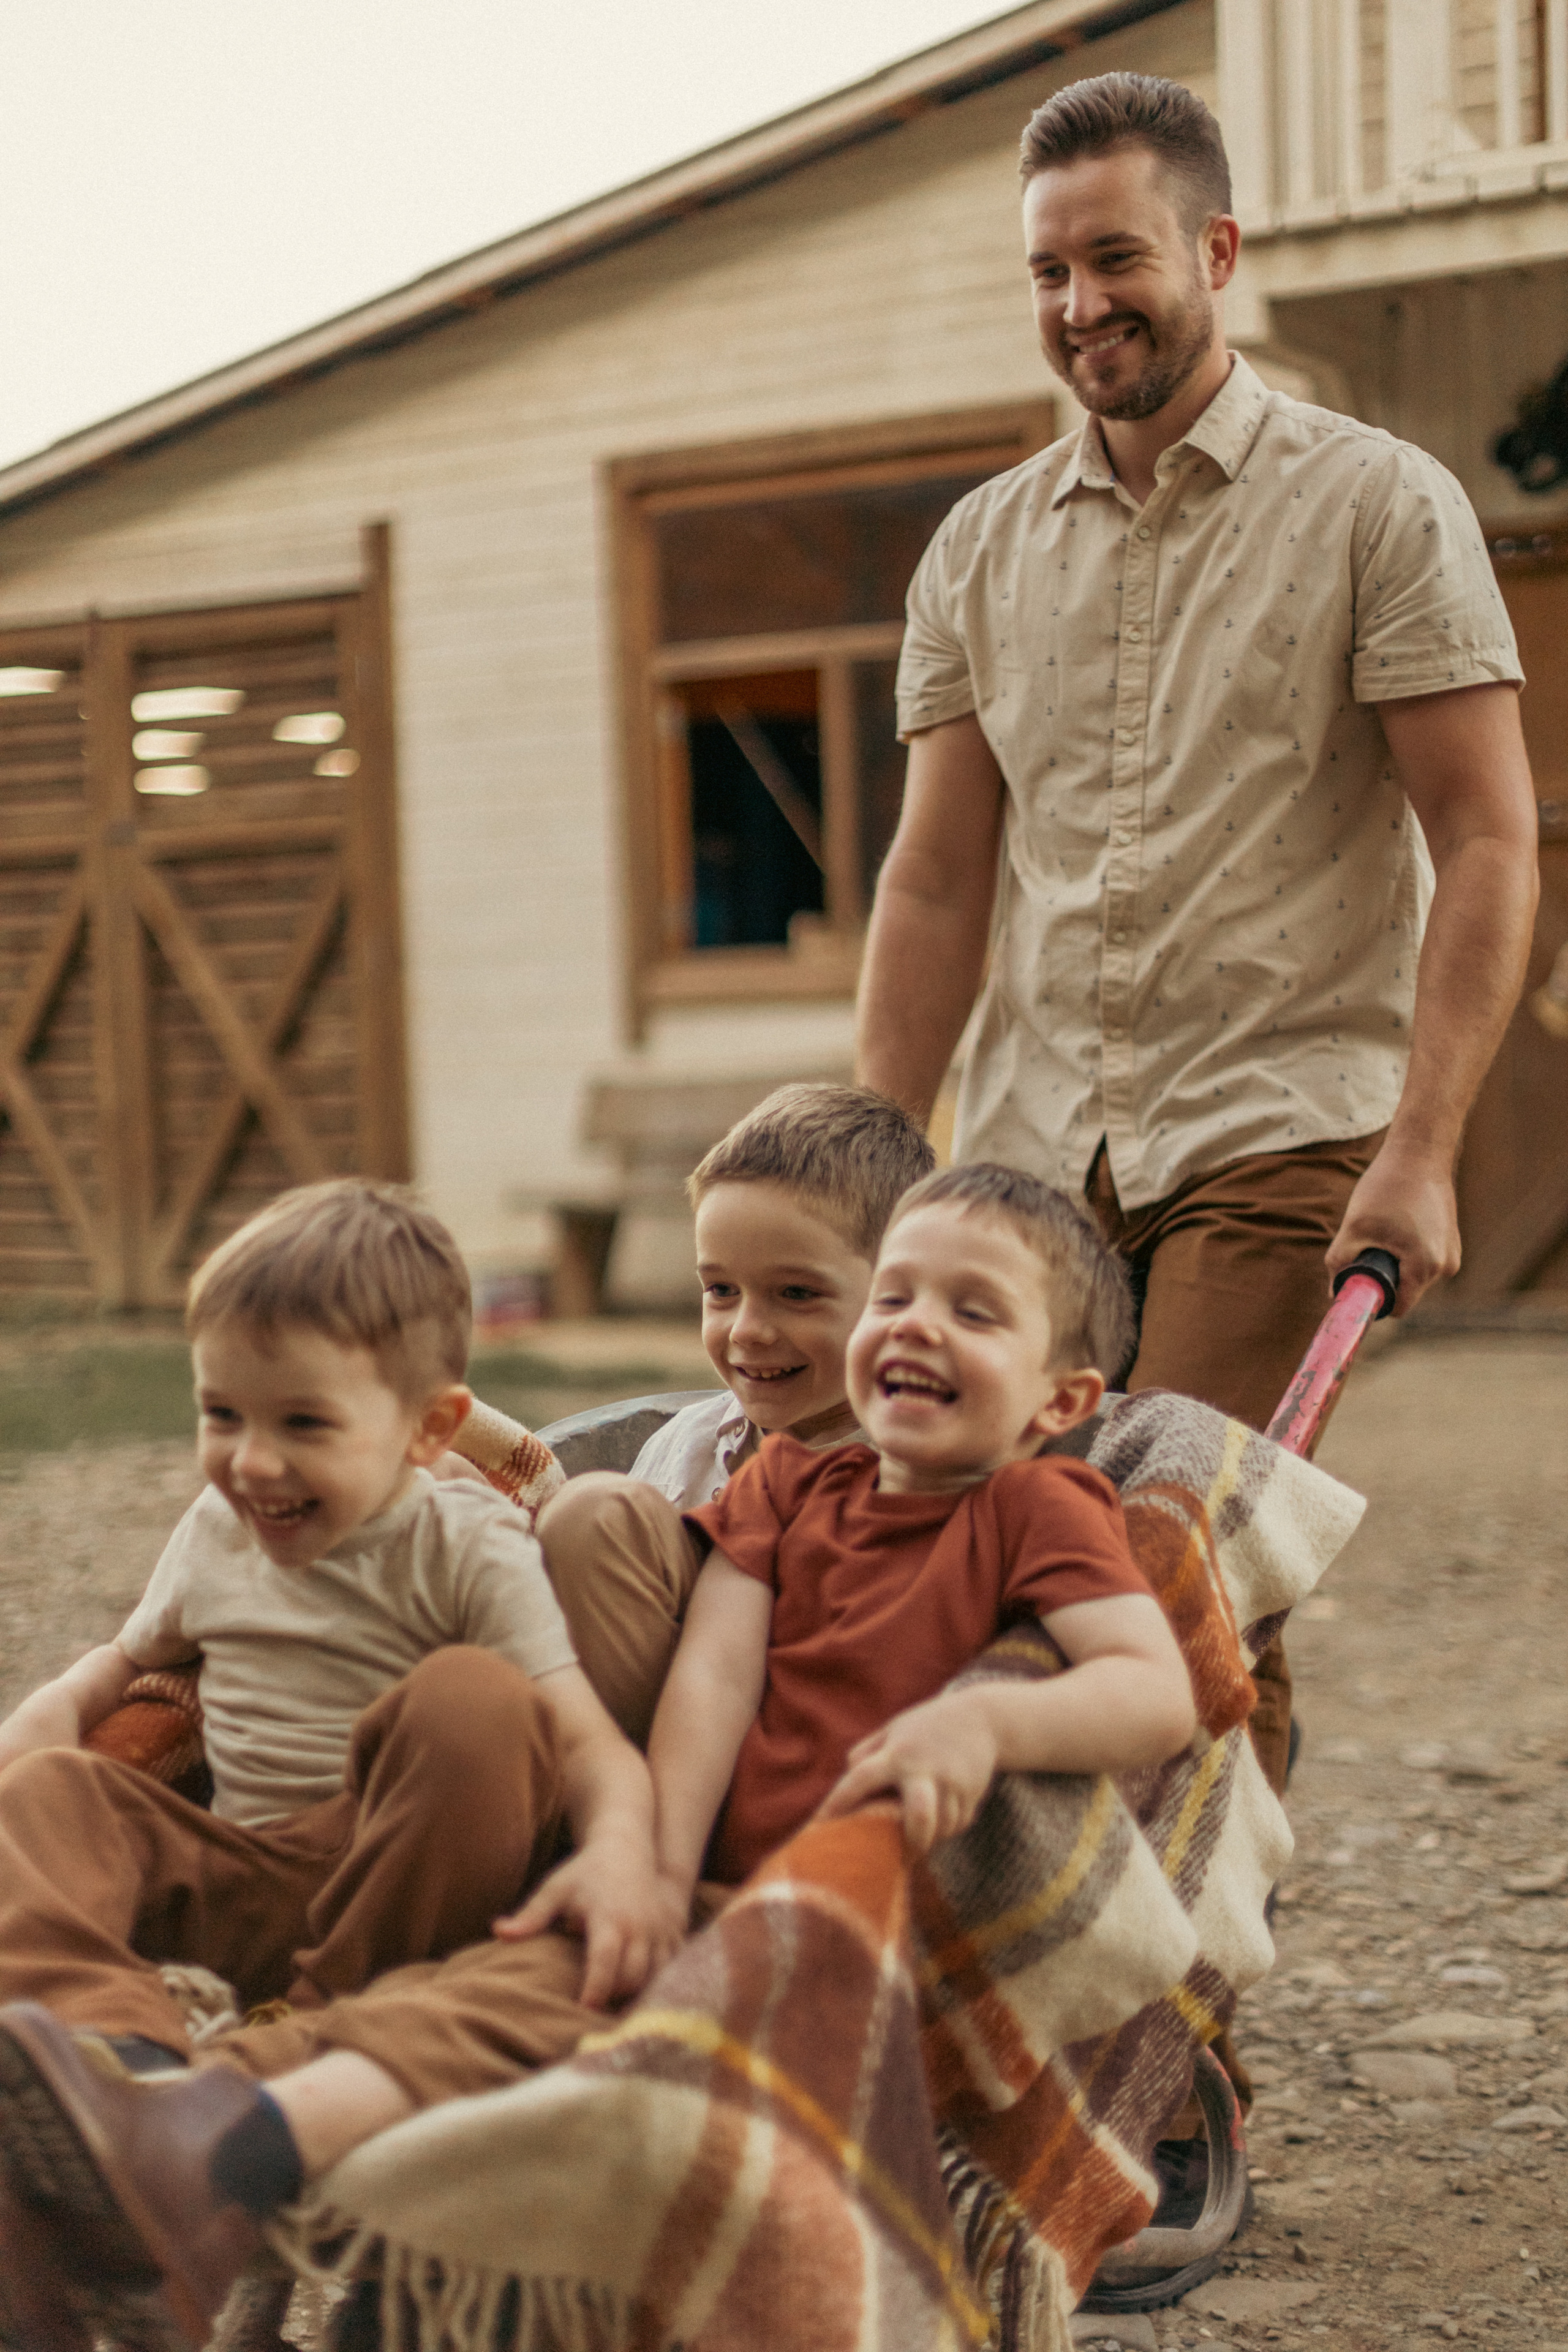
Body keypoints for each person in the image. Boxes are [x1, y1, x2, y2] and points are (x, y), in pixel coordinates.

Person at [853, 70, 1540, 1806]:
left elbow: (1485, 837)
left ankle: (1183, 2031)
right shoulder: (978, 551)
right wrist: (869, 1149)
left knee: (1173, 1548)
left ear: (1217, 249)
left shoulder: (1379, 503)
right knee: (1013, 1556)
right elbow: (936, 879)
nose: (1081, 307)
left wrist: (1426, 1149)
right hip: (1031, 1155)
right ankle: (1067, 1971)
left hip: (1277, 1129)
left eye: (1116, 259)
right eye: (1047, 273)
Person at [0, 1180, 675, 2351]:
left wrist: (621, 1848)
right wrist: (47, 1719)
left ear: (425, 1428)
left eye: (304, 1426)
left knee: (479, 1706)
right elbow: (121, 1665)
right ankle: (122, 2063)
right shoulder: (215, 1532)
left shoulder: (466, 1543)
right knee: (51, 1792)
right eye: (222, 1415)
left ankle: (289, 2055)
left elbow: (582, 1740)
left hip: (408, 1885)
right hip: (248, 1873)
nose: (252, 1464)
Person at [649, 1163, 1196, 1912]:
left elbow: (1156, 1694)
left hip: (875, 1925)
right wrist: (663, 1877)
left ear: (1061, 1400)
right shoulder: (779, 1487)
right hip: (715, 1895)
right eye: (892, 1297)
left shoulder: (1034, 1509)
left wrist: (984, 1723)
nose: (913, 1323)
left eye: (974, 1314)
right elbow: (713, 1677)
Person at [533, 1080, 934, 1741]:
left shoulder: (922, 1465)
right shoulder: (688, 1448)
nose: (746, 1329)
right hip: (670, 1751)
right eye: (720, 1289)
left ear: (899, 1290)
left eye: (796, 1293)